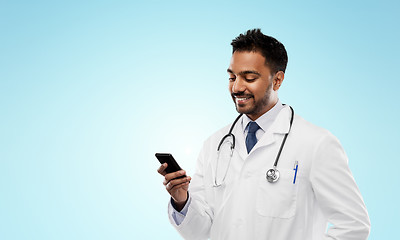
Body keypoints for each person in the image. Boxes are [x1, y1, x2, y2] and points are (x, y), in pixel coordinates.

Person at [157, 29, 370, 240]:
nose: (237, 87)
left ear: (277, 80)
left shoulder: (317, 144)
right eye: (232, 77)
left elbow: (354, 226)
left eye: (249, 78)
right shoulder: (214, 145)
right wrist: (181, 200)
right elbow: (201, 233)